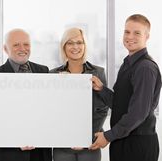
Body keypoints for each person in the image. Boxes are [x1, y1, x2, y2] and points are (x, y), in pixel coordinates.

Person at [90, 14, 161, 161]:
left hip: (137, 145)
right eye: (127, 32)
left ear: (147, 36)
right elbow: (121, 104)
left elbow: (138, 113)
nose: (130, 37)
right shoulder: (127, 64)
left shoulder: (145, 68)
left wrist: (108, 136)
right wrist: (102, 89)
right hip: (123, 140)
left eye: (137, 33)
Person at [0, 28, 52, 161]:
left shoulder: (43, 71)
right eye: (16, 44)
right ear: (5, 49)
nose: (22, 48)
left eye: (26, 44)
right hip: (10, 153)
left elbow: (49, 110)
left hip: (40, 151)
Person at [49, 27, 108, 161]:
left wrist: (84, 137)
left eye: (79, 42)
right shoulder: (53, 75)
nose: (75, 47)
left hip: (90, 143)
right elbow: (51, 110)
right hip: (62, 144)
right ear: (64, 47)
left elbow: (102, 109)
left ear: (85, 45)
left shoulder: (98, 72)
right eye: (70, 43)